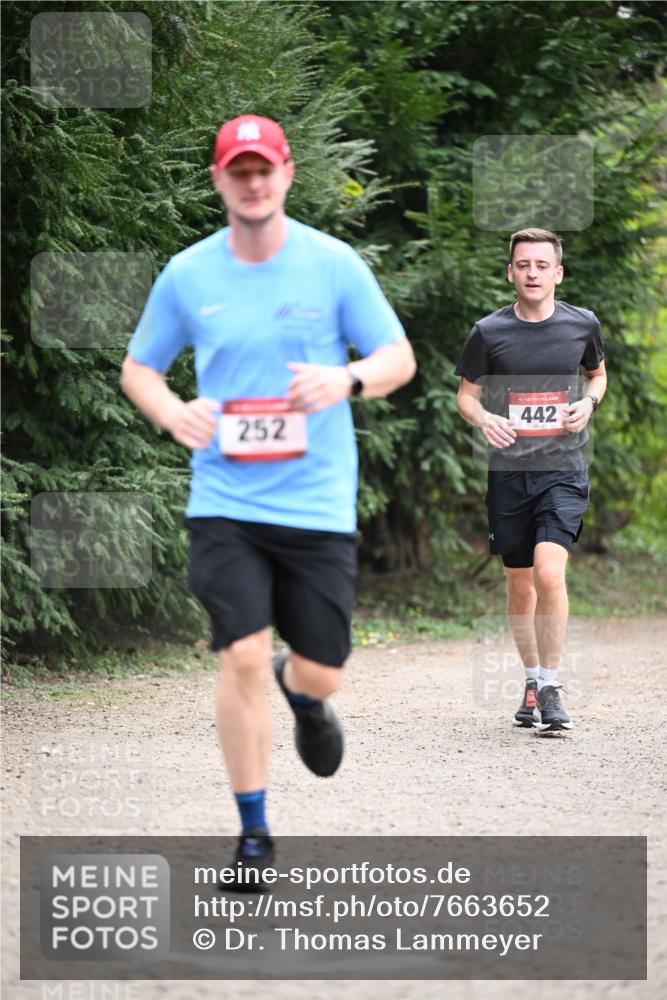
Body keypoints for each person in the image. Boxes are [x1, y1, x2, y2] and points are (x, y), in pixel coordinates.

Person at [121, 114, 416, 881]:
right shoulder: (188, 274)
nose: (252, 183)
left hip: (315, 504)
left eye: (264, 169)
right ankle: (253, 835)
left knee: (317, 669)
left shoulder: (333, 265)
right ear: (219, 181)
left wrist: (346, 379)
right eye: (237, 171)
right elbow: (140, 368)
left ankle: (307, 694)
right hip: (225, 500)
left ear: (285, 174)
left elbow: (398, 357)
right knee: (241, 654)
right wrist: (171, 412)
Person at [455, 228, 607, 734]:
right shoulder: (489, 332)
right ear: (511, 272)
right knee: (520, 587)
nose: (533, 273)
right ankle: (531, 677)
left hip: (563, 469)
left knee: (548, 572)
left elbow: (597, 375)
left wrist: (588, 403)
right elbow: (466, 396)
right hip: (510, 474)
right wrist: (484, 419)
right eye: (523, 265)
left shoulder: (582, 324)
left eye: (542, 265)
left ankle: (551, 687)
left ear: (557, 273)